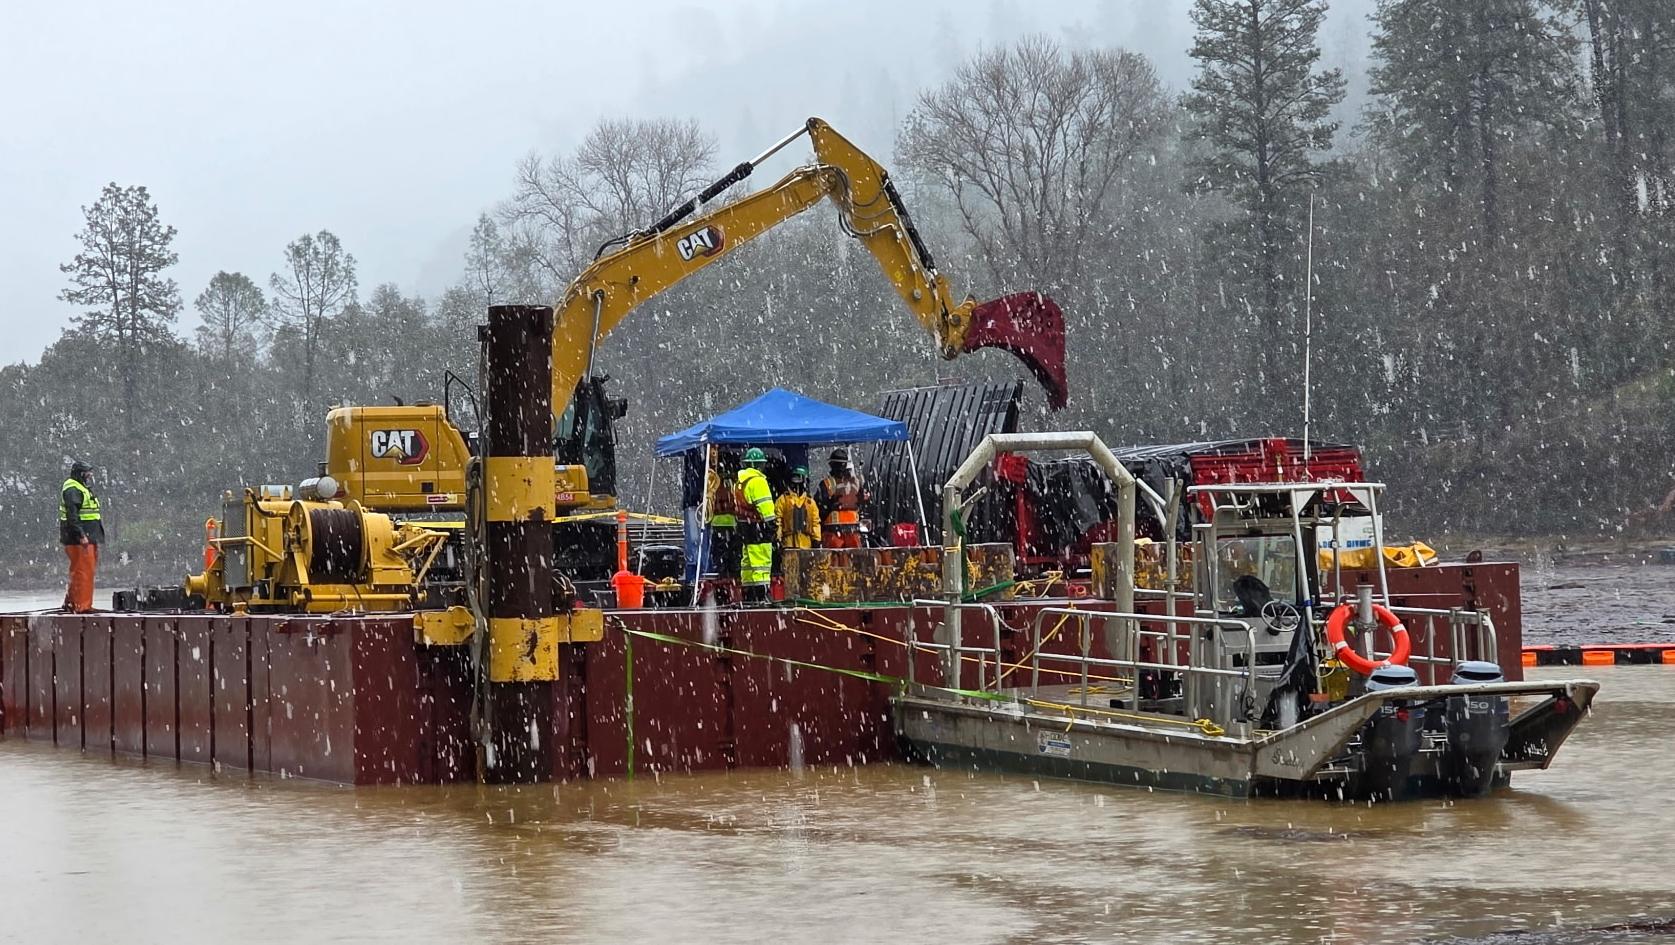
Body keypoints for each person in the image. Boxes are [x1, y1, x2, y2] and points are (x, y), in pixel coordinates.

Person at [59, 460, 104, 613]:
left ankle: (72, 603)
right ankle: (82, 606)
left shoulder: (80, 487)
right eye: (87, 472)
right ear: (80, 473)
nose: (90, 475)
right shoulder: (73, 489)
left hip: (87, 536)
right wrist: (81, 535)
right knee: (84, 571)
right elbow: (73, 516)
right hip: (80, 538)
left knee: (79, 570)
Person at [736, 447, 777, 602]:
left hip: (745, 528)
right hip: (758, 528)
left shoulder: (740, 482)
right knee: (761, 563)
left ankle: (749, 594)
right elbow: (766, 507)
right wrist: (772, 526)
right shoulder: (758, 481)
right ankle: (762, 595)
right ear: (759, 465)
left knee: (748, 562)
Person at [705, 448, 744, 587]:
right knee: (732, 556)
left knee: (721, 556)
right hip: (731, 524)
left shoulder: (714, 482)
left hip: (719, 524)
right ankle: (730, 576)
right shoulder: (734, 483)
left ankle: (723, 578)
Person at [815, 447, 867, 549]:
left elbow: (819, 510)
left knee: (834, 561)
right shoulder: (856, 482)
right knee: (854, 560)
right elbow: (862, 503)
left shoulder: (826, 484)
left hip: (833, 534)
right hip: (853, 532)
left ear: (831, 465)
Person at [775, 467, 821, 566]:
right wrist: (778, 540)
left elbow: (815, 522)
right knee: (790, 573)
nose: (796, 484)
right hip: (789, 545)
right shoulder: (783, 500)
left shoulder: (810, 502)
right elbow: (778, 521)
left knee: (806, 573)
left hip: (806, 546)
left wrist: (817, 540)